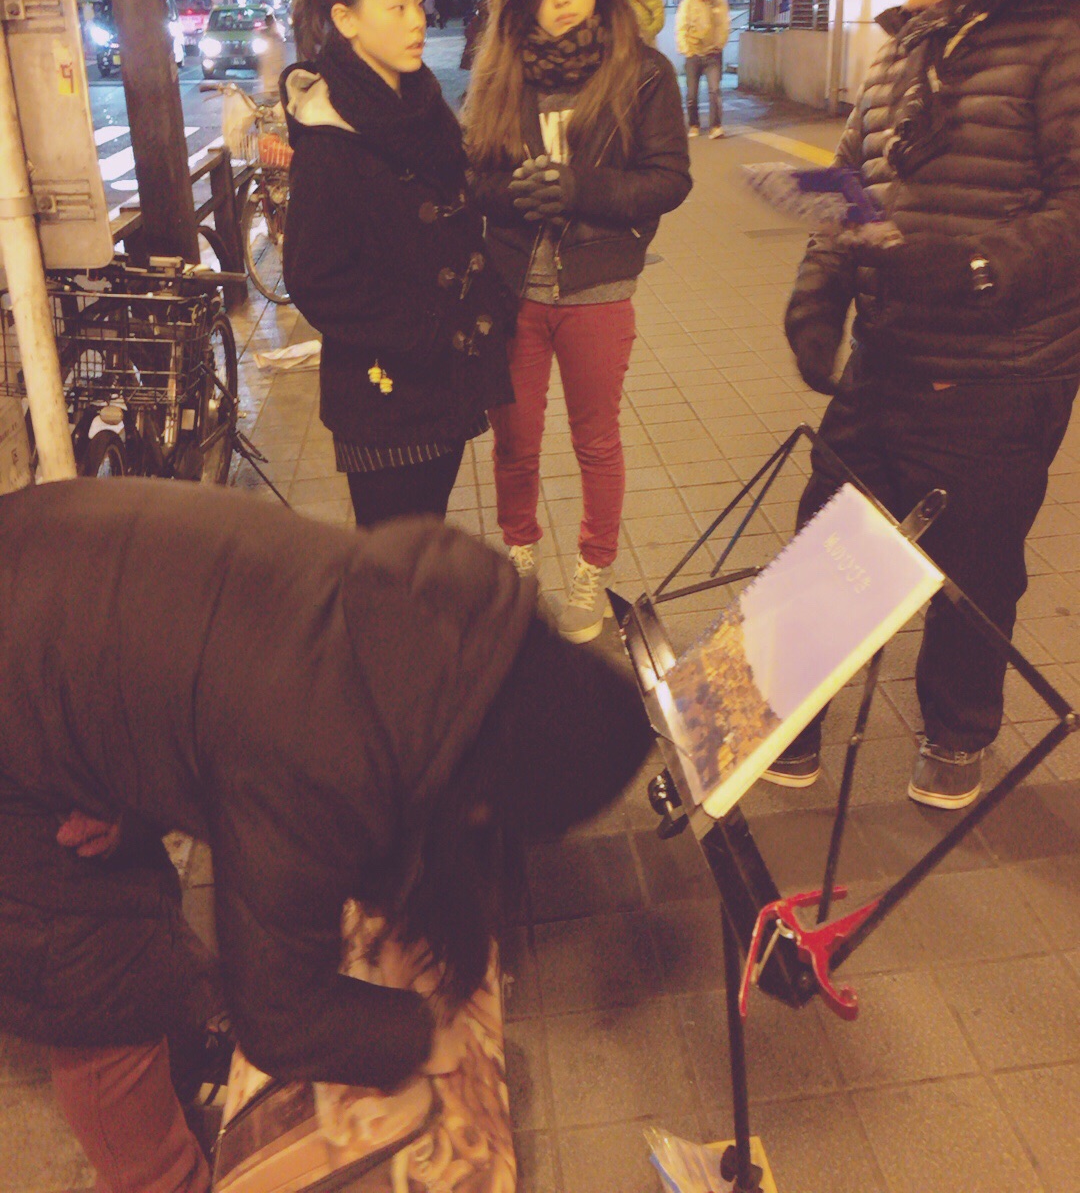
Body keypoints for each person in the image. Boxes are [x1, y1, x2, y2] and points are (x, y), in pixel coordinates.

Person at [0, 477, 655, 1192]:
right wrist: (417, 1037)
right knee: (92, 973)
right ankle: (158, 1178)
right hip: (19, 674)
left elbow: (200, 693)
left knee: (121, 881)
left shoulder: (446, 617)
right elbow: (275, 1014)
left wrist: (121, 779)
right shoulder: (322, 755)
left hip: (45, 566)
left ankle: (178, 1041)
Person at [777, 0, 1080, 809]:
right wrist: (818, 294)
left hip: (1002, 375)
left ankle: (957, 731)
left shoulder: (1062, 36)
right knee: (827, 531)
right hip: (889, 357)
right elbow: (847, 187)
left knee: (973, 565)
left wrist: (981, 265)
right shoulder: (902, 48)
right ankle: (784, 713)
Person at [464, 0, 691, 642]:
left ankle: (592, 571)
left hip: (597, 288)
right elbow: (474, 175)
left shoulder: (644, 72)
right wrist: (513, 194)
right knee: (515, 443)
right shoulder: (500, 69)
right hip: (513, 289)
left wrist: (580, 189)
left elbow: (669, 178)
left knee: (596, 440)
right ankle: (521, 564)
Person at [282, 0, 513, 529]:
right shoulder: (330, 133)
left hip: (442, 378)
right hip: (383, 393)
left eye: (419, 2)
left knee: (427, 533)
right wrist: (424, 330)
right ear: (346, 20)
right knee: (391, 555)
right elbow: (313, 278)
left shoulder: (419, 104)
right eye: (397, 5)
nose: (418, 21)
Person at [675, 0, 730, 138]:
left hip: (713, 54)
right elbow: (681, 26)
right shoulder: (688, 3)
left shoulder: (719, 2)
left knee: (715, 90)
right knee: (692, 93)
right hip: (693, 54)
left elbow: (725, 25)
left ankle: (715, 126)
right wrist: (686, 49)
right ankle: (694, 124)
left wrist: (719, 44)